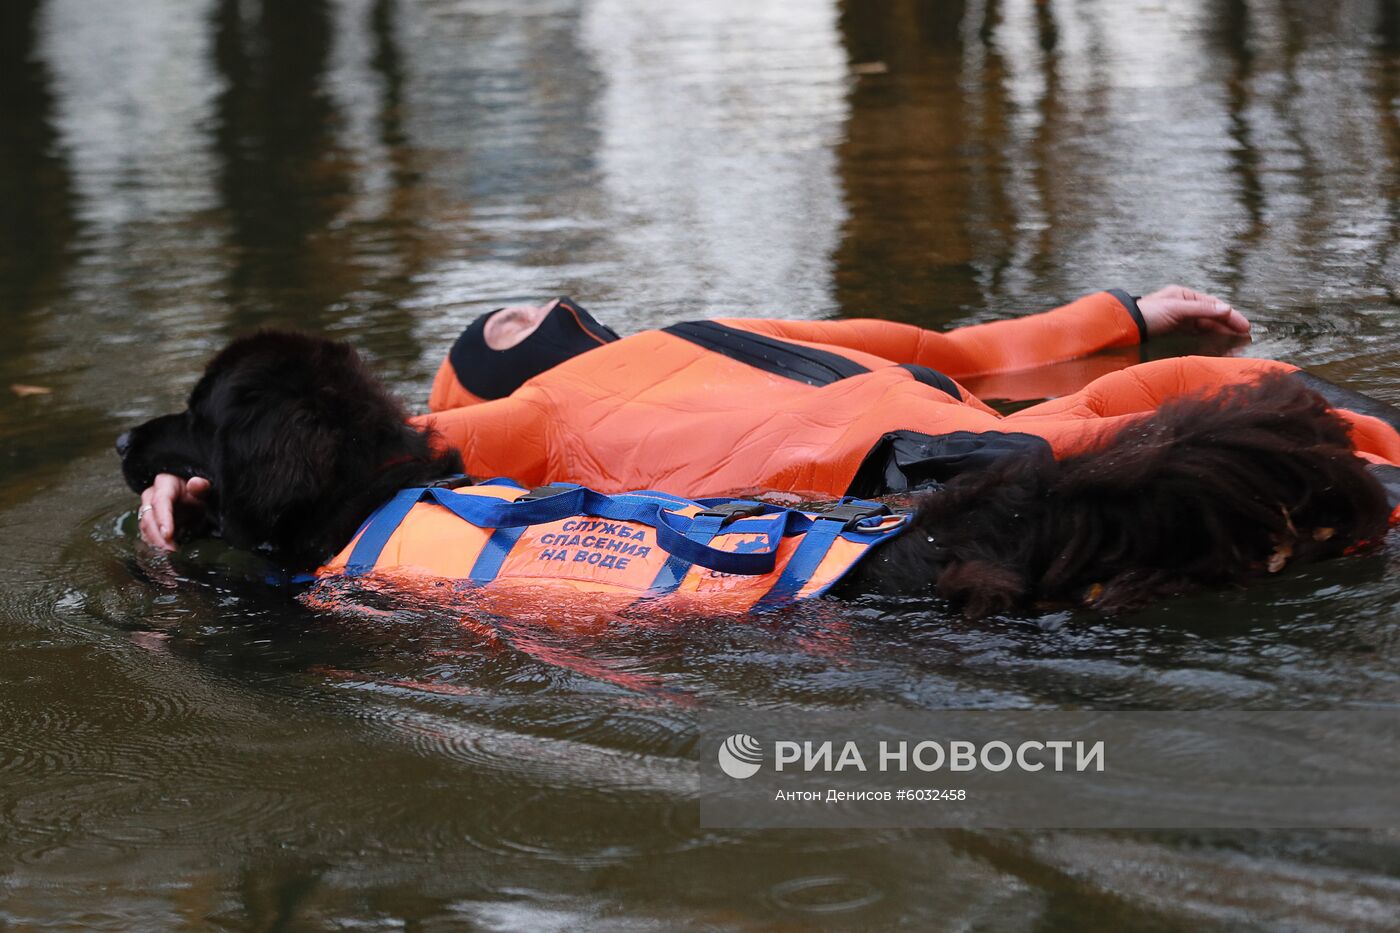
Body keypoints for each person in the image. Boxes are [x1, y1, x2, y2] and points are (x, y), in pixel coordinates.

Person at [136, 286, 1400, 552]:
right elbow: (955, 351)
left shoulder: (508, 430)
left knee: (1199, 434)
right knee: (1263, 411)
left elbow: (325, 490)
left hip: (942, 484)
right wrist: (1124, 308)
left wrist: (193, 500)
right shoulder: (695, 332)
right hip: (993, 445)